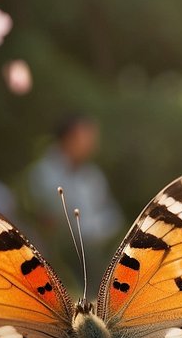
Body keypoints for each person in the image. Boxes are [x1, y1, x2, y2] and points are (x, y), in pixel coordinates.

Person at [25, 113, 122, 278]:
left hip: (90, 255)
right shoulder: (42, 174)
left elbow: (112, 217)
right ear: (69, 138)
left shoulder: (94, 177)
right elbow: (47, 221)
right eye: (86, 136)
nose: (92, 144)